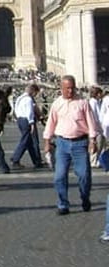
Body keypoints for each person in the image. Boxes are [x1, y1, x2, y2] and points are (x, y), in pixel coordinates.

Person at [43, 75, 100, 215]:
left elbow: (91, 122)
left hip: (80, 143)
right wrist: (47, 142)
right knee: (59, 176)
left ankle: (85, 197)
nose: (70, 91)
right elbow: (51, 123)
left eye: (72, 88)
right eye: (67, 88)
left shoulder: (83, 102)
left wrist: (93, 140)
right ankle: (63, 204)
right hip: (62, 143)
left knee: (84, 175)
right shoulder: (56, 104)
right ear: (61, 88)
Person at [11, 83, 44, 169]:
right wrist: (32, 123)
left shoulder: (20, 98)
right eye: (36, 93)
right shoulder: (29, 99)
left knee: (29, 142)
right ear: (33, 91)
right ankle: (15, 158)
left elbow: (16, 110)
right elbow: (29, 112)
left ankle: (36, 161)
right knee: (26, 140)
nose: (36, 95)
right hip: (26, 120)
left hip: (20, 119)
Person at [88, 86, 104, 168]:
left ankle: (97, 160)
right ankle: (93, 160)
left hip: (98, 126)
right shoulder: (93, 102)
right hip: (95, 126)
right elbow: (94, 115)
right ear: (97, 94)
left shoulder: (97, 101)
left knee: (100, 144)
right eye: (100, 93)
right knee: (97, 143)